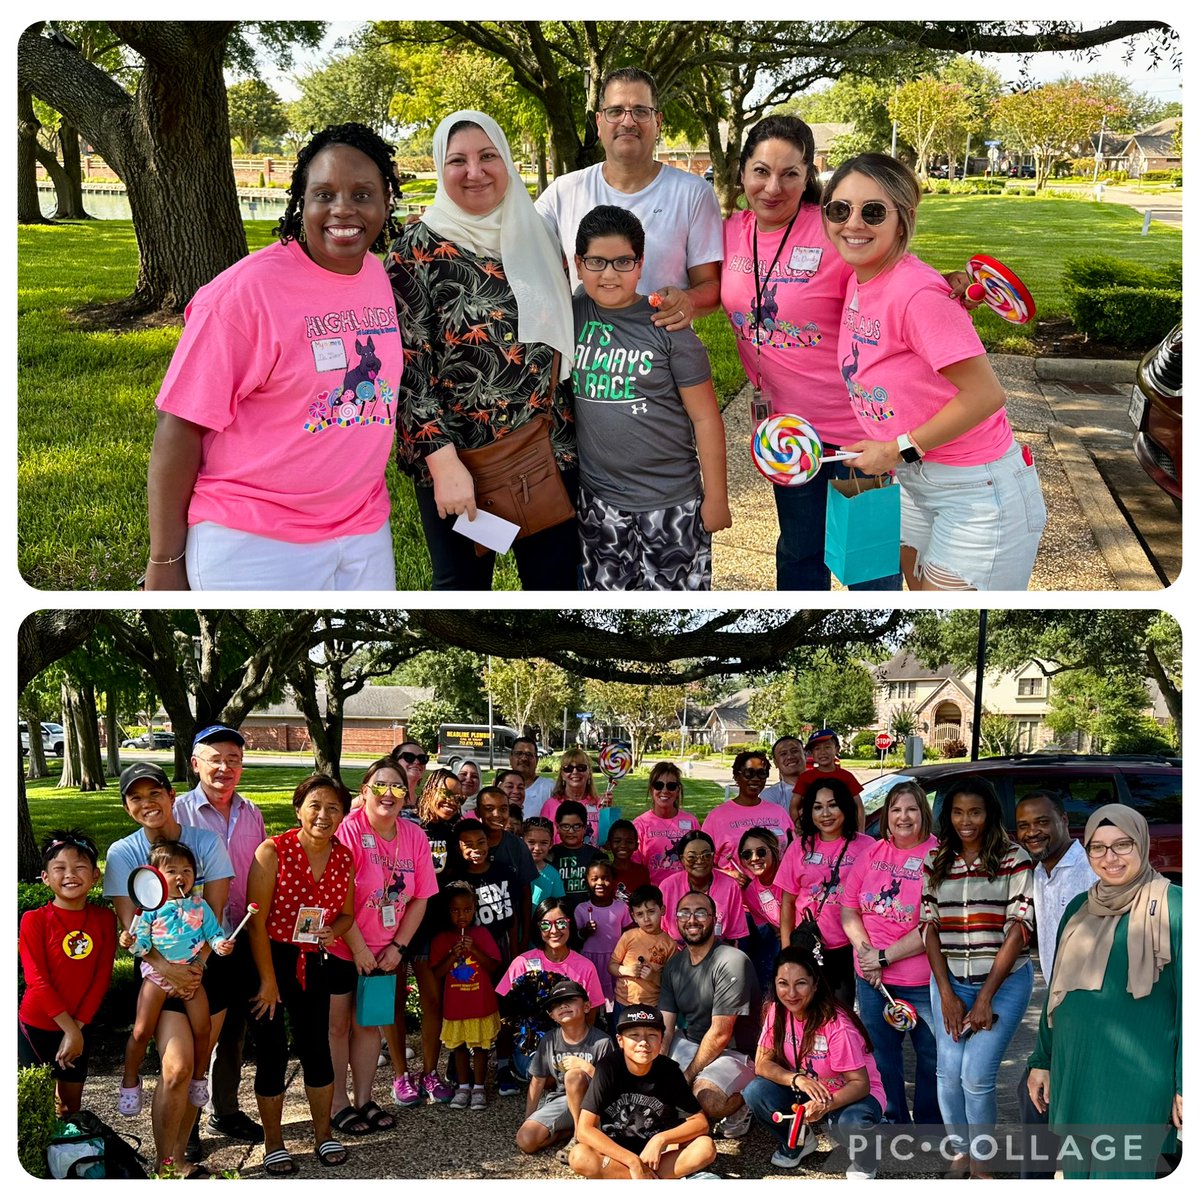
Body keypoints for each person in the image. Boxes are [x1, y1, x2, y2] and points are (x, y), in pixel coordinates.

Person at [145, 123, 403, 591]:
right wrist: (164, 560)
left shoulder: (375, 275)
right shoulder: (242, 295)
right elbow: (179, 424)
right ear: (301, 200)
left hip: (363, 530)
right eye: (324, 194)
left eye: (362, 195)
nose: (342, 209)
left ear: (387, 201)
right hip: (253, 539)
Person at [823, 152, 1047, 590]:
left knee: (943, 622)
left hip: (976, 492)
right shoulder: (861, 278)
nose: (853, 223)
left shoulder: (917, 294)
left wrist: (896, 449)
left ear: (902, 219)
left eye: (872, 212)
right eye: (839, 209)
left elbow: (986, 396)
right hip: (915, 482)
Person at [387, 109, 578, 590]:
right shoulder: (416, 250)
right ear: (440, 166)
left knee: (554, 591)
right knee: (463, 594)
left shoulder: (537, 235)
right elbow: (409, 371)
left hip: (547, 455)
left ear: (507, 161)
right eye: (458, 161)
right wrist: (444, 464)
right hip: (463, 468)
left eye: (488, 156)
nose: (475, 172)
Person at [720, 115, 902, 590]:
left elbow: (892, 286)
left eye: (790, 173)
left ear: (808, 176)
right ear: (742, 173)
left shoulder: (834, 231)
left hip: (856, 436)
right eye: (761, 171)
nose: (773, 187)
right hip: (787, 434)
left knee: (868, 571)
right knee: (800, 554)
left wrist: (951, 290)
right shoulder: (727, 233)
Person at [571, 205, 730, 590]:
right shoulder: (571, 313)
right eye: (596, 261)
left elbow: (706, 418)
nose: (609, 274)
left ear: (640, 264)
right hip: (599, 503)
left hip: (671, 502)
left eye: (623, 261)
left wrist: (717, 498)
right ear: (578, 264)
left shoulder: (668, 325)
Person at [1027, 805, 1181, 1179]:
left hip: (1138, 1074)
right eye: (1098, 847)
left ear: (1142, 844)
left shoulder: (1177, 908)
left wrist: (1184, 1082)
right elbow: (1057, 992)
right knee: (1075, 1173)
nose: (1110, 858)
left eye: (1122, 845)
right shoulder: (1080, 907)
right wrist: (1041, 1059)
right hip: (1076, 1068)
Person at [102, 763, 234, 1175]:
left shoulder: (206, 843)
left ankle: (179, 1158)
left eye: (154, 793)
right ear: (127, 807)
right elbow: (132, 927)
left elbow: (212, 915)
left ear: (171, 795)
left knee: (197, 1063)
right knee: (175, 1069)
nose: (147, 803)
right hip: (159, 972)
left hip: (205, 971)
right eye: (136, 797)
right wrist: (169, 971)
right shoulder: (123, 854)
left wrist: (194, 969)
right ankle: (165, 1165)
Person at [536, 67, 722, 333]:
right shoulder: (563, 192)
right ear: (599, 123)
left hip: (661, 360)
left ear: (658, 122)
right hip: (582, 361)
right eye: (615, 111)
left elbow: (712, 288)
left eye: (640, 111)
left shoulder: (693, 193)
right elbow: (517, 247)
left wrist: (687, 301)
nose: (628, 121)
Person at [921, 777, 1034, 1179]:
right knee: (947, 1073)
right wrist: (947, 994)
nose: (966, 820)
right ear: (947, 816)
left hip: (1002, 985)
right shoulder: (937, 860)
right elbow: (929, 926)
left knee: (976, 1075)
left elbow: (1019, 929)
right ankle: (960, 1152)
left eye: (975, 812)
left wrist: (985, 998)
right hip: (950, 981)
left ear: (989, 815)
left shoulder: (1013, 858)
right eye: (957, 812)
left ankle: (983, 1164)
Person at [245, 775, 356, 1174]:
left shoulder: (344, 857)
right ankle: (274, 1142)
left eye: (333, 808)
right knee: (272, 1051)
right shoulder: (272, 851)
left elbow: (347, 914)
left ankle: (323, 1134)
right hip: (268, 958)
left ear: (343, 814)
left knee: (317, 1048)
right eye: (315, 805)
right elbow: (255, 923)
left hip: (314, 959)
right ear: (298, 809)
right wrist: (267, 980)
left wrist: (333, 931)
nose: (324, 815)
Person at [327, 758, 439, 1129]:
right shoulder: (349, 830)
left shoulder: (414, 836)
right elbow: (339, 896)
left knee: (370, 1025)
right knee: (339, 1026)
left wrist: (398, 948)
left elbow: (421, 897)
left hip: (386, 952)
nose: (388, 793)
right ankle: (338, 1102)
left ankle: (364, 1099)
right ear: (365, 791)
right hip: (344, 947)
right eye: (380, 785)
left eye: (397, 787)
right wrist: (358, 949)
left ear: (407, 796)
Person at [174, 724, 266, 1153]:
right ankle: (185, 1124)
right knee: (195, 1033)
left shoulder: (252, 813)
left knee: (233, 1032)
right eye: (216, 759)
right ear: (196, 764)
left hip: (241, 936)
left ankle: (225, 1110)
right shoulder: (178, 813)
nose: (225, 768)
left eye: (234, 760)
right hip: (193, 943)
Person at [838, 779, 939, 1126]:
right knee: (882, 1056)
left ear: (923, 813)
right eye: (896, 809)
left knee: (930, 1056)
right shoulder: (873, 853)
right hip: (873, 981)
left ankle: (929, 1124)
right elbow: (849, 908)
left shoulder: (937, 857)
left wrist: (884, 956)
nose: (903, 816)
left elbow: (933, 920)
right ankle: (895, 1118)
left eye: (911, 808)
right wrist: (868, 956)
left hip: (921, 981)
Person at [743, 946, 884, 1177]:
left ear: (815, 983)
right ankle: (800, 1141)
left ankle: (865, 1161)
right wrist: (796, 1079)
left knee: (852, 1123)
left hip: (850, 1094)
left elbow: (860, 1084)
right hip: (808, 1089)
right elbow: (762, 1064)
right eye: (783, 983)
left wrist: (825, 1105)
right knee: (755, 1091)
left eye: (800, 983)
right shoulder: (777, 1011)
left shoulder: (837, 1024)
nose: (791, 993)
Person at [1013, 790, 1097, 1177]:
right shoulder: (1039, 872)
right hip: (1058, 1001)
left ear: (1064, 819)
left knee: (1039, 1097)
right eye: (1024, 825)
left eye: (1042, 822)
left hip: (1090, 1008)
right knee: (1035, 1095)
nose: (1032, 832)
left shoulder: (1090, 872)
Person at [119, 842, 233, 1124]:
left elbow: (213, 935)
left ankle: (198, 1078)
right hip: (157, 978)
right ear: (155, 877)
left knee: (203, 1028)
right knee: (142, 1030)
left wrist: (222, 946)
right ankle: (130, 1078)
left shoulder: (200, 906)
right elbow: (141, 946)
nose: (181, 876)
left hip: (192, 976)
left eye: (187, 870)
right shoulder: (148, 910)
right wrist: (129, 942)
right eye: (171, 871)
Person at [19, 830, 117, 1115]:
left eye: (80, 867)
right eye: (59, 868)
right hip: (38, 1025)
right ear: (46, 877)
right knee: (38, 1106)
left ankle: (70, 1158)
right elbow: (36, 980)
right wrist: (70, 1030)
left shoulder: (104, 919)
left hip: (80, 1024)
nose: (70, 874)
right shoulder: (33, 920)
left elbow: (101, 978)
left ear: (95, 875)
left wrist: (78, 1027)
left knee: (70, 1106)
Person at [570, 1004, 717, 1180]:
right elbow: (584, 1130)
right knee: (579, 1156)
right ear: (620, 1040)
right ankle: (649, 1180)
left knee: (705, 1147)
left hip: (658, 1157)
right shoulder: (607, 1068)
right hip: (618, 1156)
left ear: (662, 1039)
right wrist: (633, 1162)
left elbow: (700, 1123)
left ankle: (636, 1180)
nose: (643, 1043)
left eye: (652, 1035)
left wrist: (661, 1139)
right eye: (634, 1035)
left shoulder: (669, 1071)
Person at [659, 891, 761, 1137]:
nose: (692, 919)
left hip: (735, 1051)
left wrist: (686, 1078)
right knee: (641, 1070)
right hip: (691, 1042)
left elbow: (720, 1035)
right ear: (676, 919)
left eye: (701, 912)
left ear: (715, 920)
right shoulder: (674, 965)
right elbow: (666, 1026)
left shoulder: (731, 960)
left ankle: (746, 1101)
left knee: (706, 1099)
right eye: (684, 912)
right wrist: (656, 1068)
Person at [777, 778, 876, 1007]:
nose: (826, 813)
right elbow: (787, 903)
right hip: (807, 945)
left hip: (849, 947)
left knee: (841, 1014)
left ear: (845, 807)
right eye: (818, 807)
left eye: (833, 805)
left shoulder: (868, 846)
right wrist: (787, 952)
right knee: (806, 1011)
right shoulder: (799, 847)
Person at [405, 761, 463, 1106]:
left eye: (458, 797)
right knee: (393, 1003)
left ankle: (429, 1071)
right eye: (446, 792)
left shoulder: (455, 832)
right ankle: (400, 1073)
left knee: (432, 1002)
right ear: (430, 788)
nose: (452, 801)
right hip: (396, 925)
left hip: (432, 927)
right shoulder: (407, 825)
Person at [497, 899, 606, 1079]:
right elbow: (504, 1013)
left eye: (561, 923)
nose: (554, 931)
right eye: (546, 924)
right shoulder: (522, 963)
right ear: (537, 928)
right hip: (531, 1047)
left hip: (574, 1044)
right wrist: (502, 1065)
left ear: (570, 924)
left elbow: (591, 1013)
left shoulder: (586, 966)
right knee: (547, 1074)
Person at [516, 979, 614, 1155]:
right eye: (556, 1004)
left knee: (573, 1076)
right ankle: (570, 1132)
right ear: (552, 1015)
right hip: (561, 1101)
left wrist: (586, 1067)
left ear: (586, 1007)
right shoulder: (549, 1040)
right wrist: (528, 1118)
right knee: (526, 1141)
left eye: (570, 1000)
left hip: (593, 1106)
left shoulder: (602, 1042)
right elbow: (537, 1081)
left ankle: (580, 1135)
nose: (563, 1006)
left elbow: (611, 1086)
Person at [430, 882, 502, 1111]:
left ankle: (479, 1087)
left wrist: (475, 950)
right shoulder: (441, 939)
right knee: (459, 1046)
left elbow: (493, 965)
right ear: (447, 911)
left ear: (474, 909)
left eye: (467, 909)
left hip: (480, 1005)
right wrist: (453, 954)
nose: (462, 915)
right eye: (455, 910)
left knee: (481, 1047)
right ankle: (463, 1087)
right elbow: (437, 972)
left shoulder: (481, 934)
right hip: (456, 1007)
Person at [701, 751, 793, 872]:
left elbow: (794, 854)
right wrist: (726, 874)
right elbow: (701, 861)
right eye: (749, 773)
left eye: (761, 773)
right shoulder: (717, 817)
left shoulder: (779, 812)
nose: (755, 778)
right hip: (733, 889)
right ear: (736, 776)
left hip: (776, 888)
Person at [475, 786, 538, 952]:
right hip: (475, 931)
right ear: (477, 812)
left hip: (508, 932)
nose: (497, 814)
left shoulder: (517, 845)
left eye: (503, 809)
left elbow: (525, 893)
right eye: (489, 809)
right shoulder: (470, 841)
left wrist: (524, 937)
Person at [659, 831, 749, 945]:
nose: (700, 861)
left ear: (713, 857)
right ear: (682, 859)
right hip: (676, 953)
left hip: (717, 952)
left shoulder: (730, 885)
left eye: (706, 855)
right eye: (692, 857)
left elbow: (734, 935)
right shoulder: (668, 887)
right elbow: (659, 933)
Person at [608, 884, 678, 1027]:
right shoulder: (628, 937)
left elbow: (671, 984)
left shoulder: (670, 945)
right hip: (623, 1002)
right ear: (633, 916)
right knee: (622, 1042)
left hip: (652, 1005)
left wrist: (653, 977)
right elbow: (611, 966)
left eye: (651, 911)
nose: (646, 919)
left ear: (662, 910)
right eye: (640, 914)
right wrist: (627, 970)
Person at [631, 762, 702, 885]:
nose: (664, 791)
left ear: (678, 790)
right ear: (652, 789)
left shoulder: (691, 822)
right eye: (658, 785)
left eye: (671, 786)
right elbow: (635, 868)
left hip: (687, 895)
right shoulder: (640, 825)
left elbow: (700, 861)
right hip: (653, 896)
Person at [574, 859, 631, 1007]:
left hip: (614, 960)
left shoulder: (621, 908)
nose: (600, 883)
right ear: (587, 881)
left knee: (614, 996)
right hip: (590, 959)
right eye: (594, 879)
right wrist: (585, 931)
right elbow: (576, 938)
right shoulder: (581, 909)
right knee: (592, 996)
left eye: (605, 878)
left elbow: (628, 935)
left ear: (613, 881)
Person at [735, 828, 785, 993]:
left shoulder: (788, 875)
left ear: (774, 851)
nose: (754, 858)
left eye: (761, 852)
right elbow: (773, 930)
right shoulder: (751, 892)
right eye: (747, 854)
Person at [789, 730, 864, 831]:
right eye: (817, 748)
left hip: (843, 831)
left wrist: (861, 831)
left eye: (827, 747)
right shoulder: (805, 777)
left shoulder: (846, 776)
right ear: (811, 753)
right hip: (813, 831)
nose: (822, 752)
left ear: (837, 749)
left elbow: (858, 807)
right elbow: (794, 806)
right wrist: (799, 828)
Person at [548, 801, 606, 903]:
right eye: (565, 826)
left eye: (577, 826)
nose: (571, 831)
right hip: (559, 913)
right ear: (557, 827)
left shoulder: (596, 856)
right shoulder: (550, 854)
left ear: (585, 827)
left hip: (588, 913)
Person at [541, 749, 603, 845]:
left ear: (589, 773)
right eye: (568, 768)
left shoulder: (599, 804)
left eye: (581, 768)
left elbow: (607, 844)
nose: (575, 771)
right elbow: (543, 840)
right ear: (562, 774)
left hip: (592, 859)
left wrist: (608, 814)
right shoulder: (550, 805)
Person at [523, 816, 566, 910]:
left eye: (543, 843)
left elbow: (558, 905)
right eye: (531, 842)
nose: (537, 848)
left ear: (551, 844)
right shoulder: (515, 870)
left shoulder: (553, 874)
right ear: (522, 841)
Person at [605, 818, 650, 902]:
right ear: (609, 844)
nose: (623, 845)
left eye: (629, 842)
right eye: (617, 841)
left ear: (636, 846)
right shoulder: (605, 872)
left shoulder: (642, 872)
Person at [510, 737, 553, 816]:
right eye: (519, 753)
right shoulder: (501, 788)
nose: (524, 758)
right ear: (510, 757)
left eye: (529, 755)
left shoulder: (549, 788)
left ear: (536, 760)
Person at [759, 735, 806, 809]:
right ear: (775, 763)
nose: (790, 757)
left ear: (805, 755)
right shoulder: (770, 796)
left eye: (795, 751)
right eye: (783, 754)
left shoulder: (823, 786)